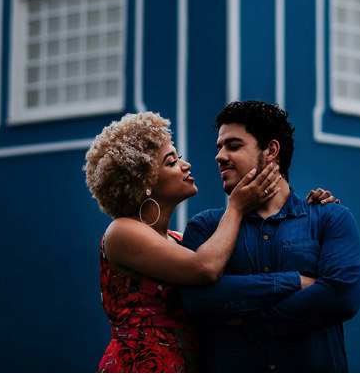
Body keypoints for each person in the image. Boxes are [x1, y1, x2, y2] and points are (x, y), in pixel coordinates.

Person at [83, 111, 336, 373]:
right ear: (144, 182)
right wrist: (236, 207)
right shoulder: (122, 231)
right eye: (171, 162)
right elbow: (205, 268)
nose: (185, 165)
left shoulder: (179, 240)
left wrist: (309, 215)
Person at [180, 101, 360, 373]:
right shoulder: (204, 227)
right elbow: (199, 300)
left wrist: (250, 321)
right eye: (219, 147)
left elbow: (341, 297)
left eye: (233, 146)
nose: (219, 156)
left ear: (271, 151)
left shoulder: (330, 218)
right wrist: (295, 282)